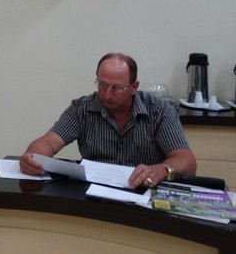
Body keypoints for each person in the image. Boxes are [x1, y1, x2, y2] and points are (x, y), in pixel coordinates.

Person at [19, 53, 197, 189]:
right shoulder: (82, 108)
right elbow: (49, 142)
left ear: (134, 87)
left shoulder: (159, 111)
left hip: (143, 191)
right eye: (102, 85)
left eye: (117, 88)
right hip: (95, 193)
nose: (107, 94)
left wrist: (161, 170)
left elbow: (186, 161)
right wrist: (32, 157)